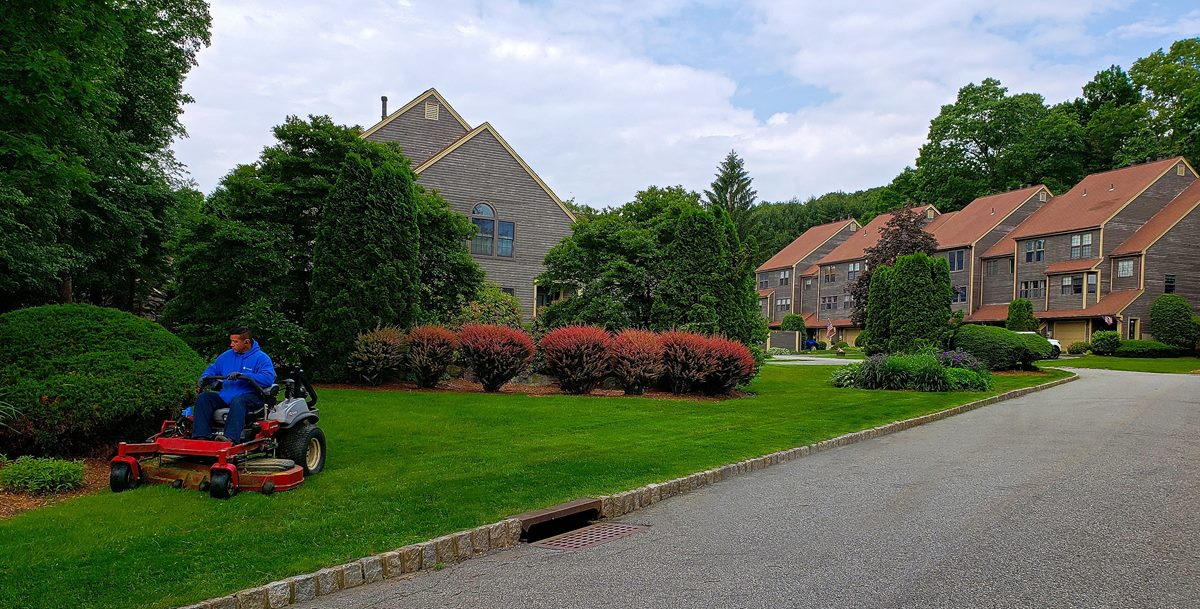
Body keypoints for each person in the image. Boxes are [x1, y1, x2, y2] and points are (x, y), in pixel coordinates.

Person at [191, 326, 276, 444]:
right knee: (204, 398)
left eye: (235, 341)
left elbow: (268, 378)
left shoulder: (261, 358)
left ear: (246, 342)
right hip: (226, 395)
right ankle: (201, 436)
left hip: (251, 396)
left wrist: (244, 375)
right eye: (231, 341)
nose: (231, 344)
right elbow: (213, 369)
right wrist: (205, 377)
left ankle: (230, 438)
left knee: (238, 401)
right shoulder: (226, 356)